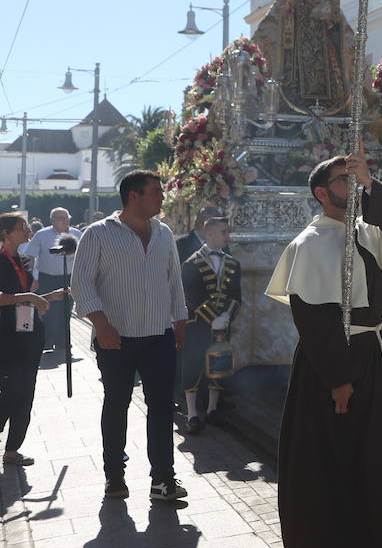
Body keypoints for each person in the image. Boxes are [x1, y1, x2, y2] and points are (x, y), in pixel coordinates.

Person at [265, 151, 382, 548]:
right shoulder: (311, 243)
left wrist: (371, 183)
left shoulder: (368, 232)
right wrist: (338, 378)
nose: (351, 187)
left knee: (381, 462)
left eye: (354, 180)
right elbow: (313, 318)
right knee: (324, 463)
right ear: (321, 192)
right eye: (342, 180)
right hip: (331, 364)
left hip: (373, 354)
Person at [71, 170, 189, 503]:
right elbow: (81, 283)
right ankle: (114, 477)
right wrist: (101, 325)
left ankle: (162, 480)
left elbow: (174, 279)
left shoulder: (164, 233)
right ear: (133, 196)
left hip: (159, 335)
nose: (162, 196)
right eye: (156, 191)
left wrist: (180, 319)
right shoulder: (98, 233)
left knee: (162, 407)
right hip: (116, 338)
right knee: (116, 404)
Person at [0, 212, 57, 466]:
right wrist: (29, 297)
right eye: (22, 227)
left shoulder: (22, 261)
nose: (28, 231)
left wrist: (50, 296)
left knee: (26, 393)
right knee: (9, 391)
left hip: (29, 334)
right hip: (6, 337)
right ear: (6, 233)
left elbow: (27, 295)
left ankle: (12, 450)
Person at [180, 217, 240, 435]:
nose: (227, 236)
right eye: (223, 232)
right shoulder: (191, 263)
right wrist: (212, 317)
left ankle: (212, 409)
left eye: (227, 232)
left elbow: (236, 295)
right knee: (193, 366)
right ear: (209, 234)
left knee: (219, 364)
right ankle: (192, 414)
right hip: (198, 325)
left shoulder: (233, 263)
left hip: (222, 324)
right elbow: (191, 296)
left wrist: (226, 316)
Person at [19, 206, 80, 353]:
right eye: (61, 218)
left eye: (66, 218)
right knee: (48, 309)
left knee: (66, 310)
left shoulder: (77, 234)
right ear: (52, 220)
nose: (64, 221)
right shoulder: (42, 235)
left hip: (69, 278)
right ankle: (47, 340)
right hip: (47, 278)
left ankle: (62, 341)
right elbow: (31, 257)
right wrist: (32, 278)